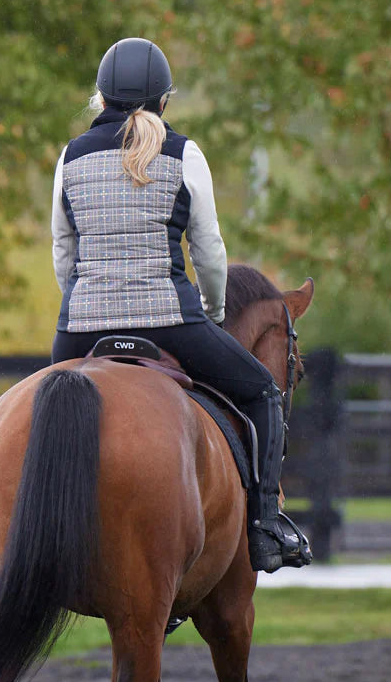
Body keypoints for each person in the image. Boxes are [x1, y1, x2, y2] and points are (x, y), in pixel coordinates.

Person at [50, 37, 311, 573]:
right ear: (164, 101)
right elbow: (209, 251)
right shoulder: (183, 153)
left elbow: (63, 250)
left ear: (99, 98)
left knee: (43, 415)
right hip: (170, 323)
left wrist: (85, 303)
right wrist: (213, 314)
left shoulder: (70, 156)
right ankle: (264, 528)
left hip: (80, 328)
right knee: (262, 391)